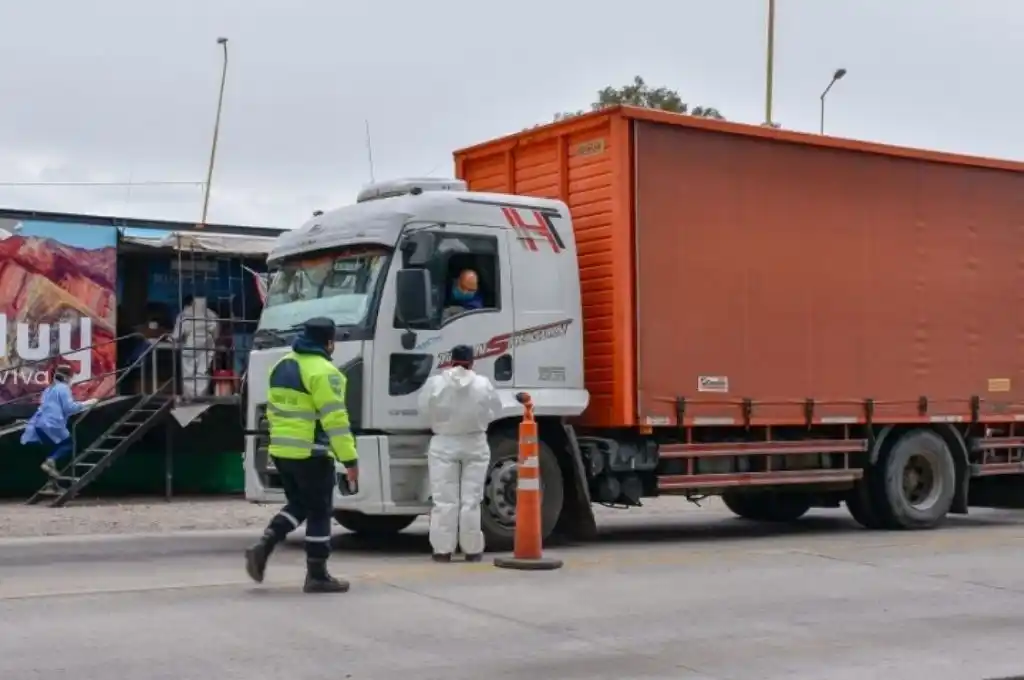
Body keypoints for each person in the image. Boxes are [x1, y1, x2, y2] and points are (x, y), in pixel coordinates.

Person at [244, 317, 359, 593]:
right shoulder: (324, 372)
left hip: (282, 450)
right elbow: (336, 422)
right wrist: (350, 460)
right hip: (313, 452)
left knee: (300, 504)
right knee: (320, 510)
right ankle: (317, 574)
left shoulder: (281, 365)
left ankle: (265, 544)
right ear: (328, 342)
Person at [419, 344, 502, 562]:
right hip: (475, 442)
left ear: (451, 360)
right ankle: (472, 549)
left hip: (443, 443)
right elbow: (495, 410)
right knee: (471, 500)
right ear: (472, 361)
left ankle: (442, 550)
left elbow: (423, 410)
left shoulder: (436, 383)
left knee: (444, 500)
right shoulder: (483, 384)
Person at [23, 364, 98, 477]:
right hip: (53, 423)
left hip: (39, 424)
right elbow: (69, 408)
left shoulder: (49, 389)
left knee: (55, 446)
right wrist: (87, 403)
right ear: (67, 377)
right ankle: (50, 461)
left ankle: (52, 472)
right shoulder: (63, 388)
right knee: (68, 444)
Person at [174, 295, 220, 398]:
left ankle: (190, 395)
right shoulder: (211, 314)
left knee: (188, 370)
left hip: (190, 342)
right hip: (207, 343)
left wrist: (176, 340)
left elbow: (177, 334)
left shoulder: (185, 314)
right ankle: (201, 395)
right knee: (203, 371)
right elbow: (216, 333)